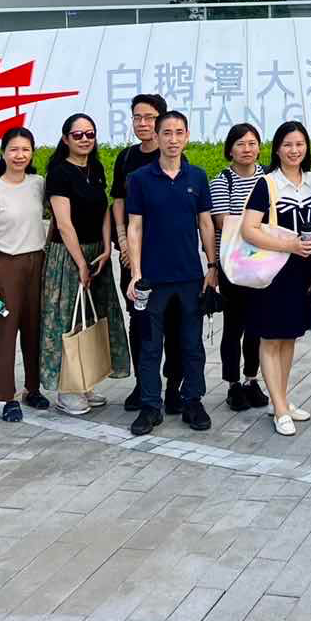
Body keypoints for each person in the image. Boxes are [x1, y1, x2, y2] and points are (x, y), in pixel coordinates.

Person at [123, 110, 216, 436]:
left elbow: (206, 223)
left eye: (179, 133)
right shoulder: (140, 179)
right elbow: (134, 226)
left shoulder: (197, 177)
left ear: (187, 136)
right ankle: (151, 405)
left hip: (190, 277)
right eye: (167, 133)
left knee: (192, 344)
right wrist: (136, 273)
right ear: (157, 136)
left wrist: (212, 267)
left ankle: (193, 400)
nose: (173, 139)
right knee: (150, 346)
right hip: (153, 279)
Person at [39, 113, 131, 413]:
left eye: (89, 134)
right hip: (67, 255)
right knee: (66, 320)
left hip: (95, 253)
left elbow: (104, 210)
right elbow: (64, 224)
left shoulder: (96, 168)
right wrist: (80, 262)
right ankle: (67, 389)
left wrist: (105, 249)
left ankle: (85, 381)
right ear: (65, 139)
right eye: (77, 135)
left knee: (90, 318)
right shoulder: (59, 173)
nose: (84, 139)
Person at [239, 121, 311, 435]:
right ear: (277, 149)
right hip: (273, 273)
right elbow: (249, 229)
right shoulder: (267, 184)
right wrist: (290, 245)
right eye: (287, 145)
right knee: (271, 339)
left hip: (302, 273)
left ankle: (280, 400)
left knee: (288, 337)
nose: (294, 150)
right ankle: (279, 409)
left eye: (299, 144)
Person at [0, 127, 49, 422]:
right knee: (3, 334)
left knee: (34, 329)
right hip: (5, 265)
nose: (20, 155)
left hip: (37, 262)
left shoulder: (38, 183)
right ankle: (7, 398)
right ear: (3, 152)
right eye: (14, 149)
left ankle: (33, 388)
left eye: (25, 149)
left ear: (32, 153)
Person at [111, 92, 175, 413]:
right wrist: (123, 241)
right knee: (139, 322)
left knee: (172, 322)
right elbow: (118, 202)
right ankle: (143, 384)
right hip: (132, 256)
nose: (142, 123)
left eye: (149, 117)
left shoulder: (171, 157)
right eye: (137, 117)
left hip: (166, 256)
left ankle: (174, 386)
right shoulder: (126, 158)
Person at [210, 123, 268, 411]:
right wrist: (256, 223)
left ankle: (251, 379)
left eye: (252, 143)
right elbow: (223, 222)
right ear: (230, 150)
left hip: (264, 262)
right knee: (234, 326)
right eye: (240, 144)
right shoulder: (222, 182)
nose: (247, 149)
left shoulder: (268, 177)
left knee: (257, 324)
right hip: (232, 265)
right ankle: (232, 384)